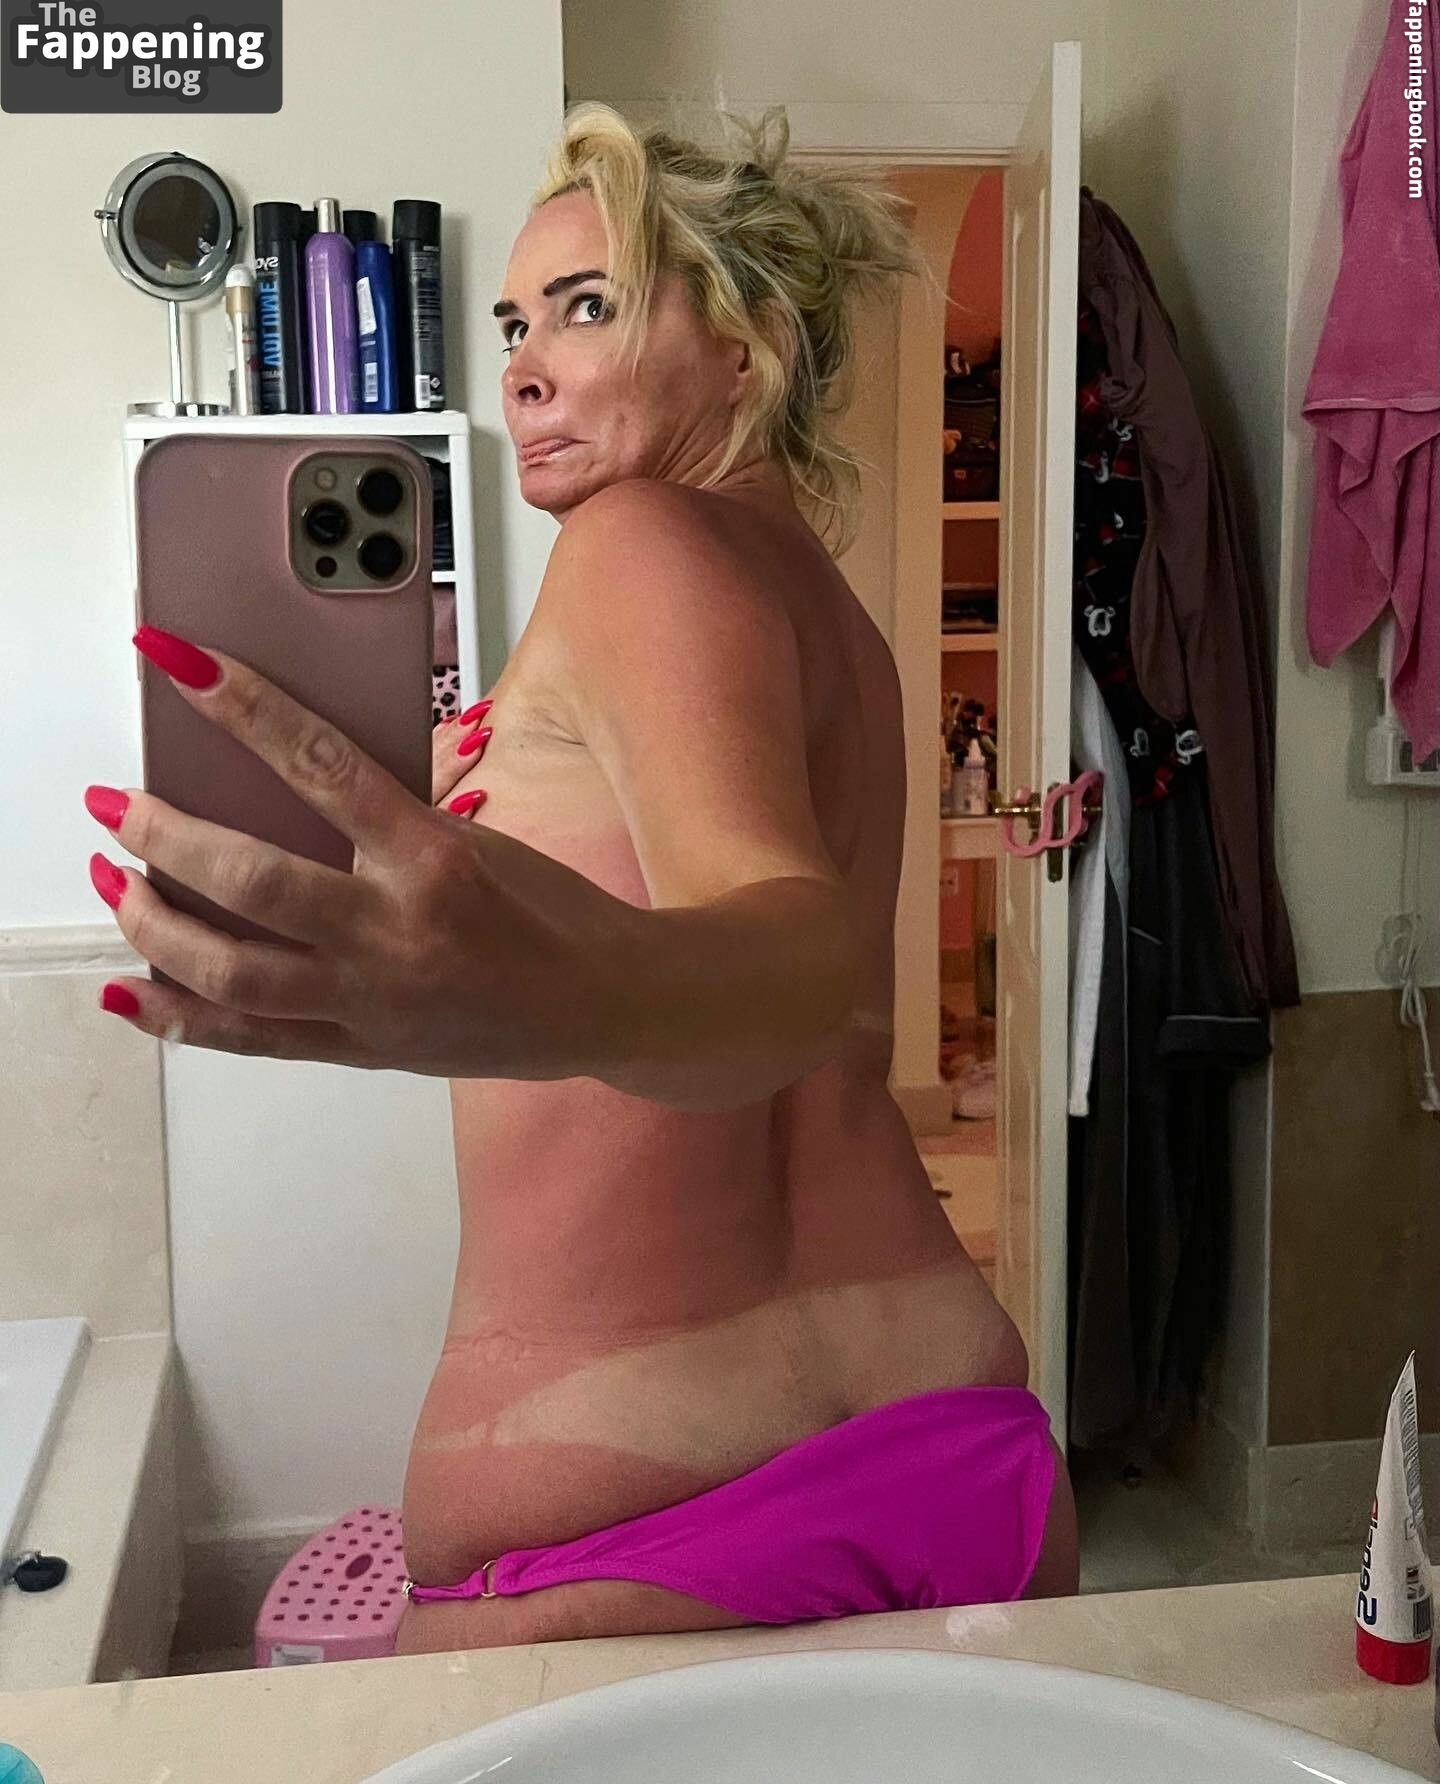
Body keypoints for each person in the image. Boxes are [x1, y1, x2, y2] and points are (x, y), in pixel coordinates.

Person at [86, 101, 1079, 1655]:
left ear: (746, 351)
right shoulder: (824, 613)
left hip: (645, 1517)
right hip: (948, 1437)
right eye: (514, 324)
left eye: (589, 307)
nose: (525, 367)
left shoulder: (639, 542)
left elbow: (794, 956)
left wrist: (544, 992)